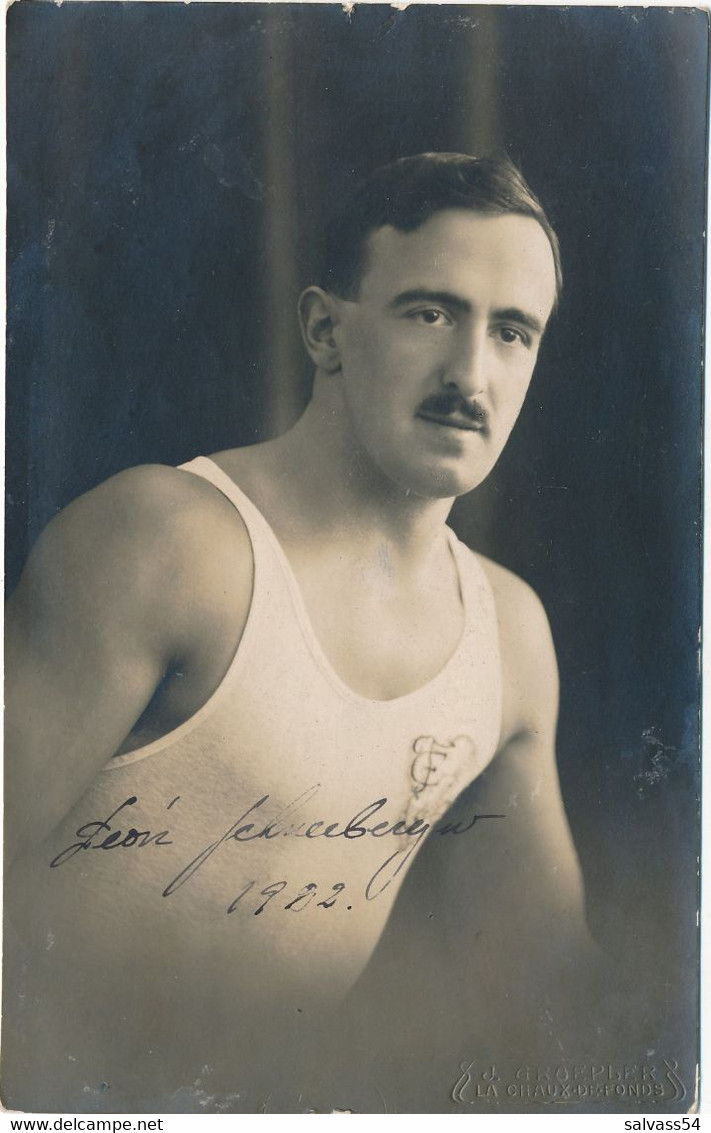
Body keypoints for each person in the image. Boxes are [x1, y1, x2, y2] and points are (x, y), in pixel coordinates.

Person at [4, 153, 597, 1113]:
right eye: (430, 312)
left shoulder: (509, 631)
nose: (469, 373)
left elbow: (549, 981)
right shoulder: (166, 542)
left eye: (513, 332)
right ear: (326, 328)